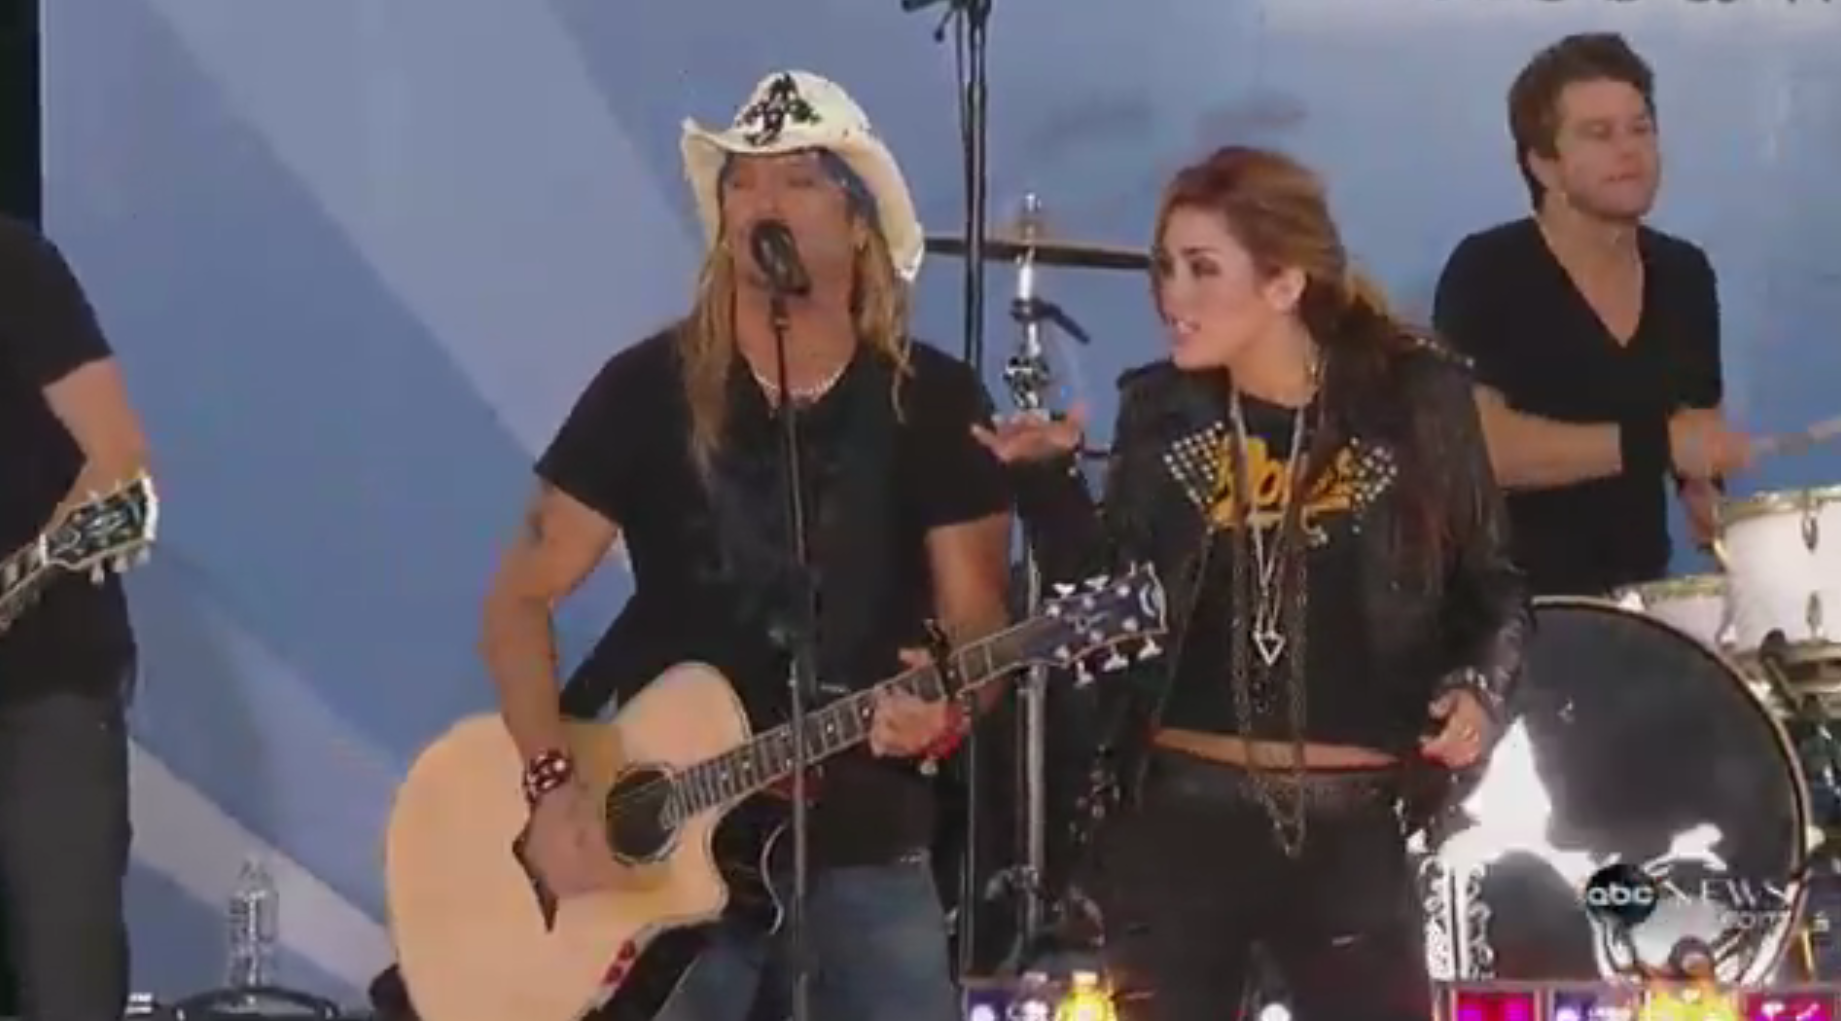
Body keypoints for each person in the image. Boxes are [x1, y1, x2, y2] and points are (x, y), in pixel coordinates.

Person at [479, 71, 1012, 1021]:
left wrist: (948, 705)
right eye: (741, 181)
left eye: (798, 179)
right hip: (661, 855)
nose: (763, 201)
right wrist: (553, 785)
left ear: (858, 222)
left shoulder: (933, 402)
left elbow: (979, 627)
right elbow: (518, 602)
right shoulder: (645, 389)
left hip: (864, 842)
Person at [976, 146, 1530, 1021]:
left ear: (1283, 282)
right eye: (1165, 267)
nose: (1172, 295)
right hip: (1181, 820)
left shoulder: (1412, 401)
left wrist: (1477, 686)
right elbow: (1113, 615)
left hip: (1352, 823)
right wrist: (1045, 486)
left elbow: (1488, 583)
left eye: (1201, 268)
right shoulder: (1162, 410)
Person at [1432, 33, 1748, 597]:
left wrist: (1713, 501)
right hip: (1505, 614)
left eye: (1640, 129)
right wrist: (1657, 446)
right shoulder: (1488, 269)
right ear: (1543, 165)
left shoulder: (1684, 272)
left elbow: (1696, 431)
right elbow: (1480, 451)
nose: (1629, 150)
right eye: (1599, 134)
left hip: (1638, 605)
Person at [0, 215, 149, 1021]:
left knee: (69, 984)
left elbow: (118, 465)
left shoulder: (14, 265)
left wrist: (22, 579)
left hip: (42, 689)